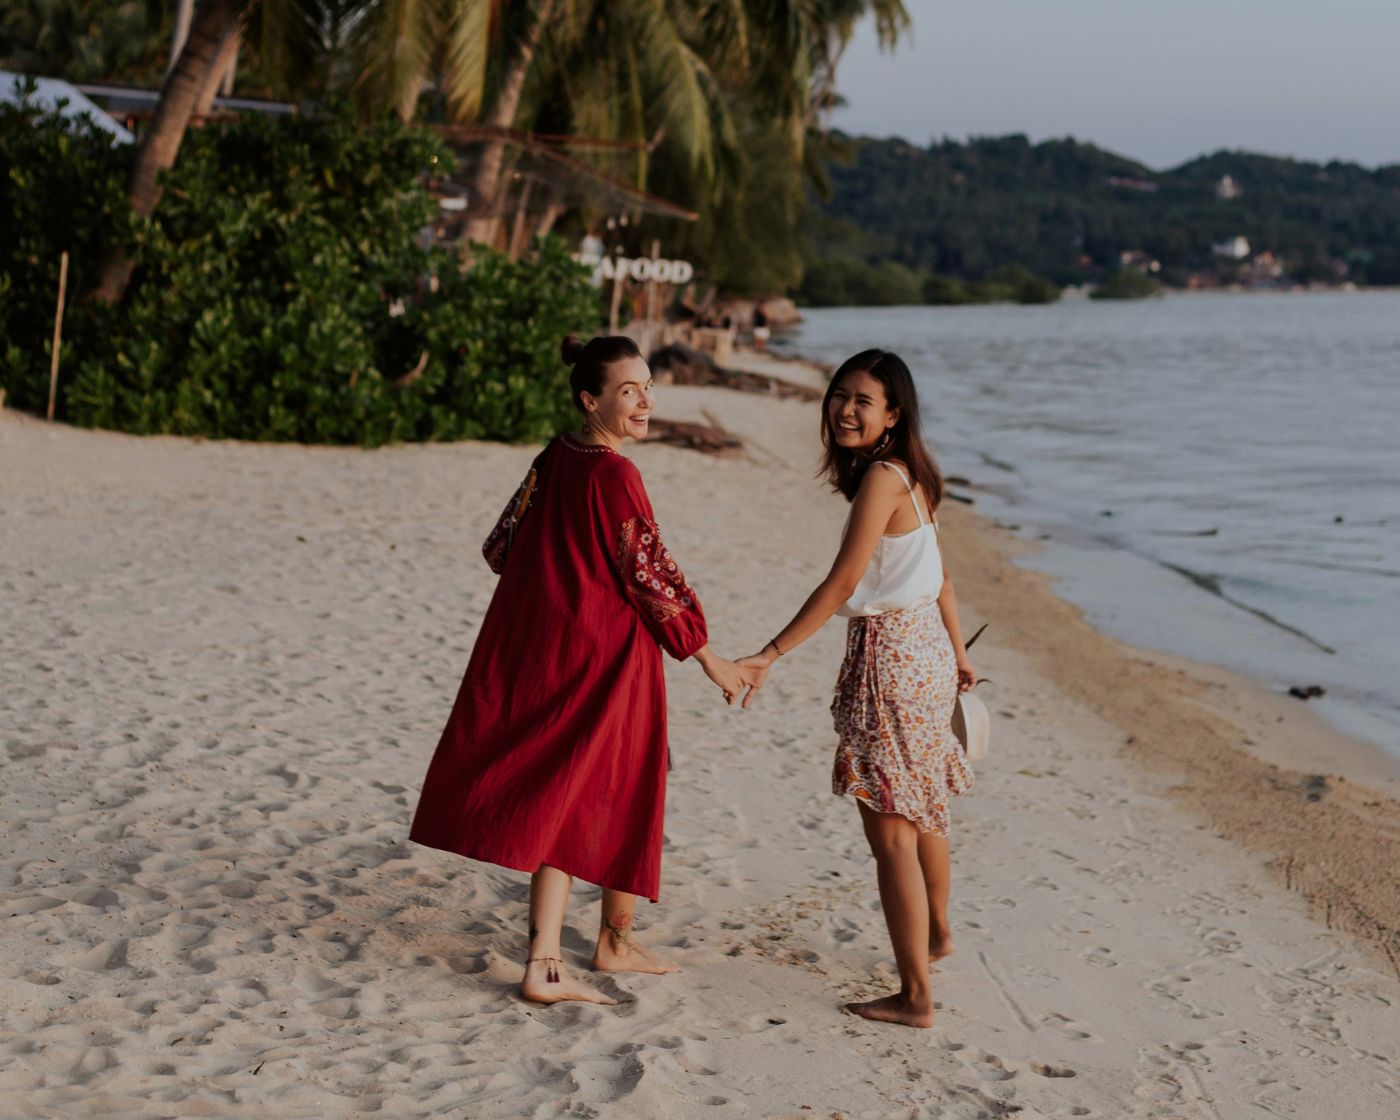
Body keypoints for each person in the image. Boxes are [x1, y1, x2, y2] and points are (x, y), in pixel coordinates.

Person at [410, 334, 752, 1006]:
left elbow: (501, 546)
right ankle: (553, 961)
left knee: (616, 785)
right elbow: (647, 573)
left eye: (649, 388)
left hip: (561, 648)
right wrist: (709, 657)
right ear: (590, 398)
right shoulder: (615, 474)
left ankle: (610, 943)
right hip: (608, 657)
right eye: (630, 392)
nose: (645, 401)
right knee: (596, 790)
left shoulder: (554, 456)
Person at [738, 349, 976, 1028]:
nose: (845, 409)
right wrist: (957, 656)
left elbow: (843, 584)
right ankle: (936, 933)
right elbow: (944, 578)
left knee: (892, 834)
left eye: (862, 401)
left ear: (893, 413)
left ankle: (915, 996)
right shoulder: (916, 475)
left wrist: (770, 653)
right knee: (924, 806)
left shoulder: (881, 479)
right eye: (839, 395)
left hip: (893, 662)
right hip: (926, 649)